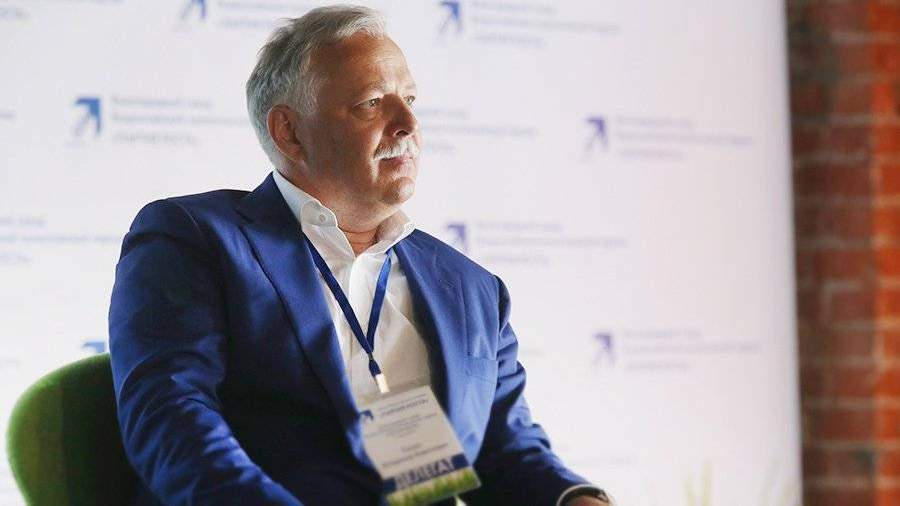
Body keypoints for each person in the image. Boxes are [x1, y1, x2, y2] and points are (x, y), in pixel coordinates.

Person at [108, 5, 612, 505]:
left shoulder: (472, 288)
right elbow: (172, 417)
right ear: (289, 131)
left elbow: (508, 452)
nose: (408, 123)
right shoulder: (194, 239)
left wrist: (576, 500)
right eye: (372, 103)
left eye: (409, 99)